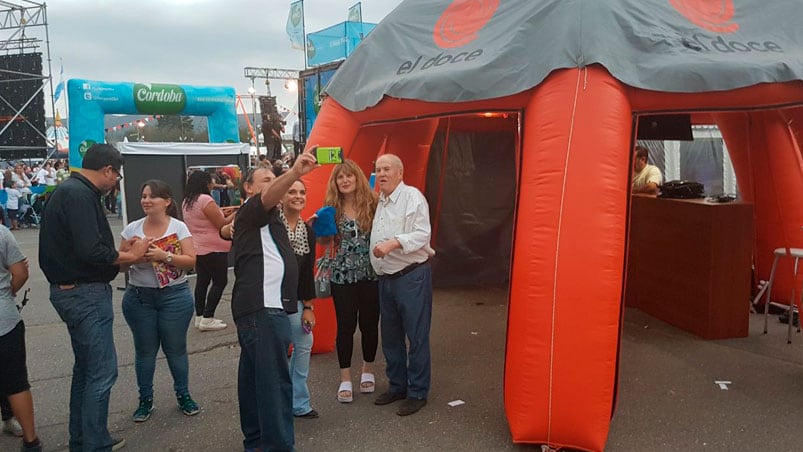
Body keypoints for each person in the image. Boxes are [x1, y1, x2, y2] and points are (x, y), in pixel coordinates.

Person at [39, 143, 150, 451]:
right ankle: (95, 443)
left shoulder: (70, 191)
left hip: (72, 290)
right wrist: (132, 256)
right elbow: (92, 251)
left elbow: (83, 248)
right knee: (101, 372)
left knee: (86, 369)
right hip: (84, 293)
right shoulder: (79, 195)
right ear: (107, 170)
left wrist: (120, 253)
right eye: (117, 175)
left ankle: (84, 438)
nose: (116, 182)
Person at [224, 148, 318, 452]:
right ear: (249, 188)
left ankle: (255, 442)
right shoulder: (254, 208)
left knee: (254, 382)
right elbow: (263, 201)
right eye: (266, 179)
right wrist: (294, 172)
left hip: (264, 310)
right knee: (274, 387)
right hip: (264, 310)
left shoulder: (264, 217)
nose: (273, 183)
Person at [120, 179, 199, 422]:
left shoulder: (178, 228)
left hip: (174, 297)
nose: (146, 200)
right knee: (144, 352)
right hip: (139, 297)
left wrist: (165, 256)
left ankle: (183, 395)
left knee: (176, 350)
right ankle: (145, 400)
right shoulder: (132, 229)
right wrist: (136, 257)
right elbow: (119, 264)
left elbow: (191, 260)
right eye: (144, 196)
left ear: (166, 202)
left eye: (152, 196)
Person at [369, 153, 435, 417]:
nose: (382, 174)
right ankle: (397, 386)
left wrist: (393, 243)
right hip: (387, 278)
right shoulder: (382, 201)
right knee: (391, 336)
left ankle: (418, 391)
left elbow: (422, 234)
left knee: (416, 337)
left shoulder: (413, 197)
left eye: (387, 169)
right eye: (378, 170)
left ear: (400, 173)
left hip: (411, 276)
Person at [320, 160, 380, 404]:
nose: (345, 181)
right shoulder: (330, 208)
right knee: (345, 326)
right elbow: (324, 243)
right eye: (340, 178)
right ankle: (345, 377)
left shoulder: (372, 204)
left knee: (369, 324)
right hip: (342, 276)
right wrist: (321, 230)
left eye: (349, 176)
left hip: (370, 274)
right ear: (335, 182)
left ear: (357, 178)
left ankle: (368, 369)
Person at [279, 180, 318, 419]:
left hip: (295, 302)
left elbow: (307, 272)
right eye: (291, 191)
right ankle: (278, 401)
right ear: (281, 198)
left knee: (304, 343)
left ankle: (299, 402)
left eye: (302, 192)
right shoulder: (272, 228)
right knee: (276, 353)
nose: (298, 196)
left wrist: (308, 306)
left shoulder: (308, 231)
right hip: (270, 302)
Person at [0, 226, 42, 451]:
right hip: (4, 319)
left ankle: (9, 418)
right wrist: (7, 294)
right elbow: (21, 273)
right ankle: (31, 439)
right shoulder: (2, 233)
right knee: (16, 381)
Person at [182, 171, 236, 331]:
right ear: (205, 183)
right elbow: (222, 224)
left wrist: (223, 212)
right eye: (211, 181)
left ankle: (199, 317)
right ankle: (208, 316)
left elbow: (206, 219)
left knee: (202, 281)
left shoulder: (187, 201)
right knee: (220, 281)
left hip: (198, 247)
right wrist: (236, 213)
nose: (213, 184)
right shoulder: (206, 199)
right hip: (215, 247)